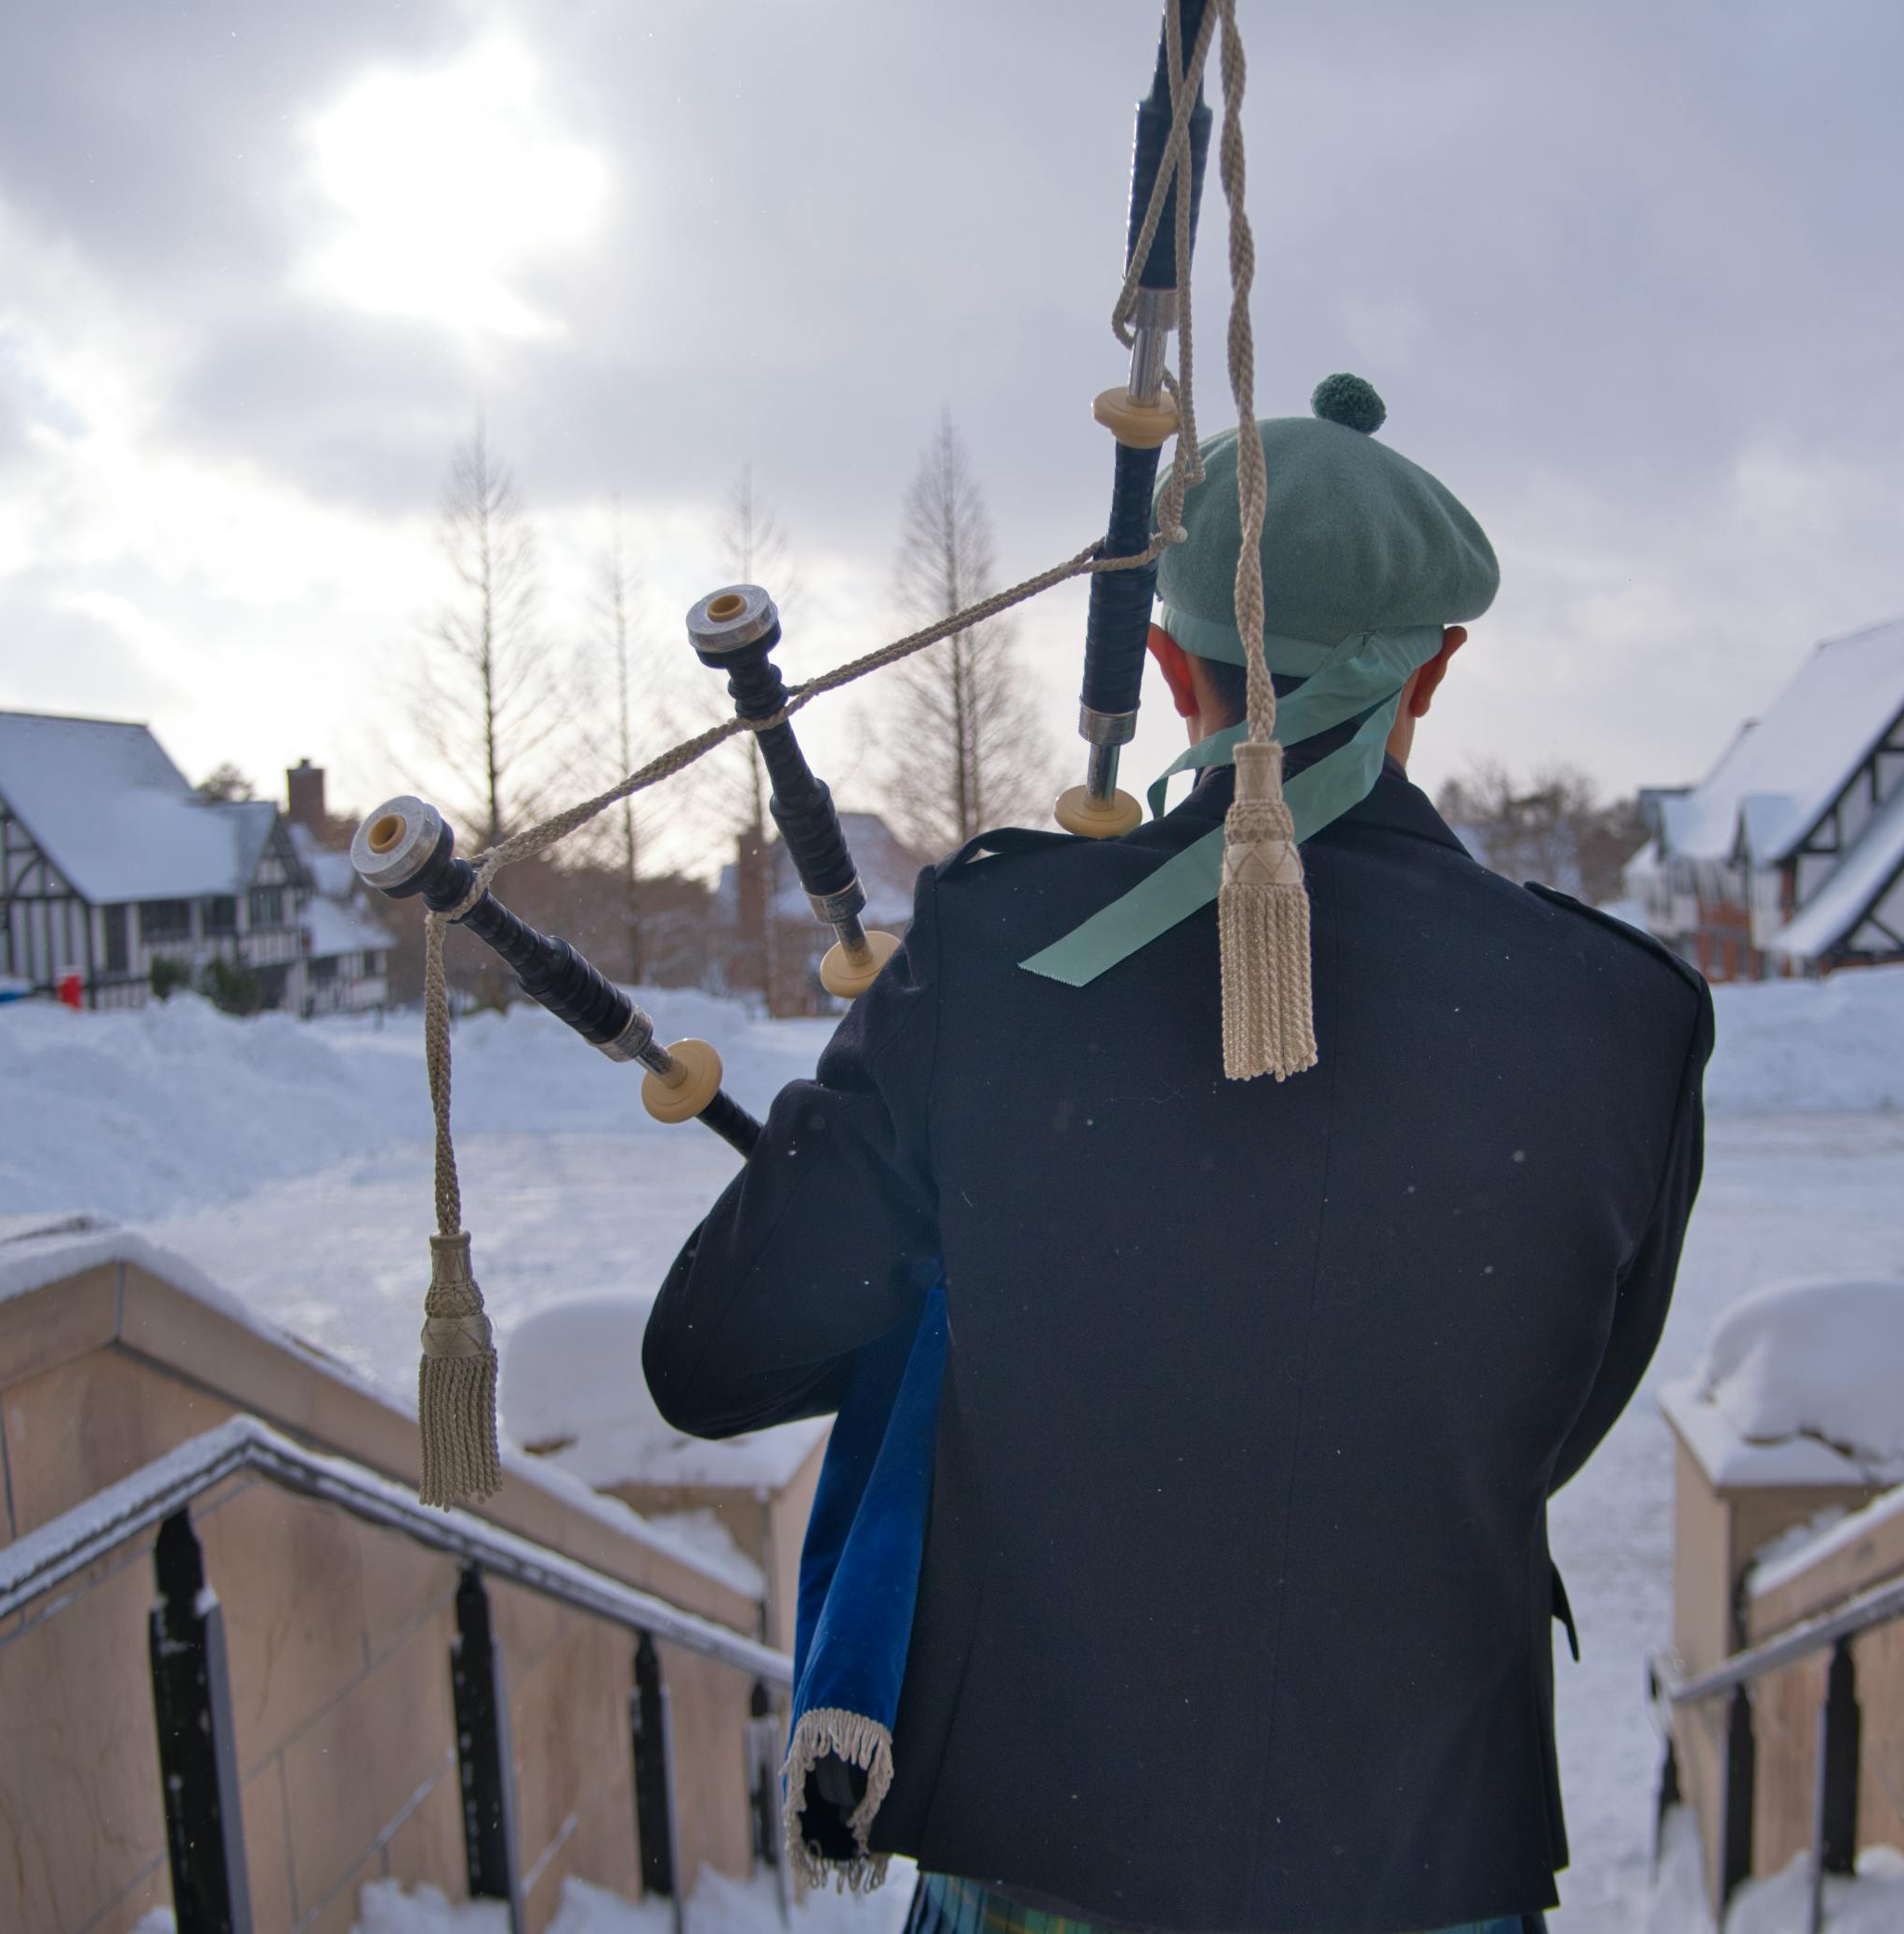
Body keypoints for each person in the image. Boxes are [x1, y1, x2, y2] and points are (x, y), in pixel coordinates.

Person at [647, 375, 1712, 1933]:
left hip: (1056, 1865)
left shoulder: (997, 949)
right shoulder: (1625, 1013)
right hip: (1423, 1856)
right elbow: (1553, 1417)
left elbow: (716, 1357)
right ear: (1439, 670)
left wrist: (916, 1121)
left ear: (1164, 660)